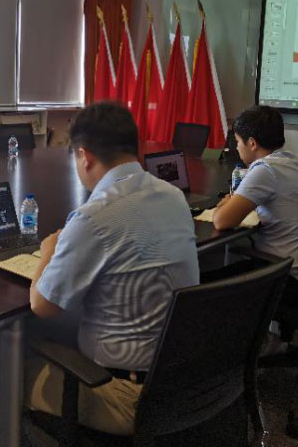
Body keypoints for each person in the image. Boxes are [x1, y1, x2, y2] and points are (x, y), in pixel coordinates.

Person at [26, 102, 200, 436]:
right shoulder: (173, 196)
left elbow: (42, 306)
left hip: (125, 395)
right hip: (179, 375)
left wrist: (49, 252)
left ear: (84, 156)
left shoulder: (93, 218)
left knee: (8, 372)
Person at [212, 105, 298, 305]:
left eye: (238, 141)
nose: (237, 148)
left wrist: (227, 203)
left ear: (252, 143)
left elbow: (221, 221)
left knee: (207, 279)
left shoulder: (266, 170)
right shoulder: (296, 161)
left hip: (283, 276)